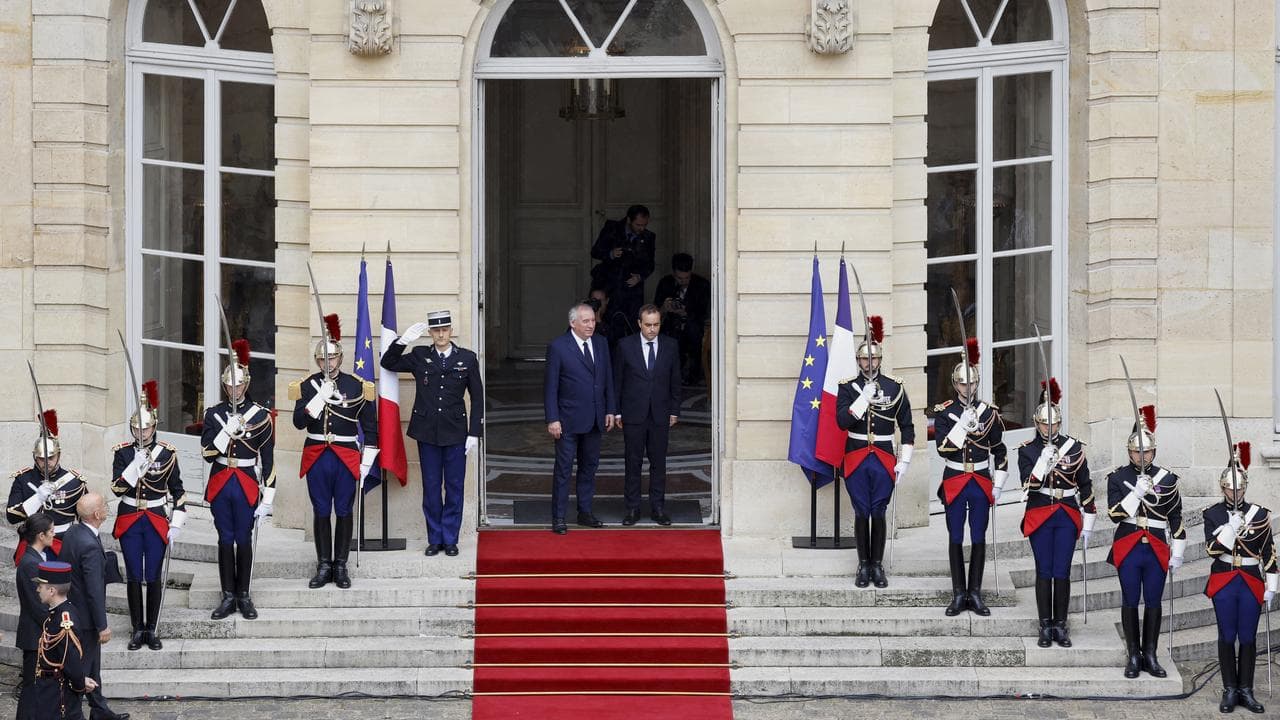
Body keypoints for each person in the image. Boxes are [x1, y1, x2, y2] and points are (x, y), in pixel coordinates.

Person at [381, 310, 483, 557]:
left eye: (444, 329)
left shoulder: (467, 358)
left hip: (456, 433)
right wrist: (403, 341)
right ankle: (434, 538)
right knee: (431, 487)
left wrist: (474, 432)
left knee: (455, 487)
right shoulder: (420, 355)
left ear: (451, 330)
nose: (440, 334)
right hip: (427, 433)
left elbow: (477, 396)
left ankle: (450, 539)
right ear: (430, 333)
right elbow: (388, 363)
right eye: (436, 330)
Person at [290, 314, 378, 589]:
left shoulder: (356, 385)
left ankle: (340, 565)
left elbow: (370, 428)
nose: (327, 364)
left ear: (339, 358)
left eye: (331, 359)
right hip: (317, 453)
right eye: (322, 360)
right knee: (320, 510)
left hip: (346, 454)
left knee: (342, 510)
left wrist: (368, 461)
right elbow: (298, 422)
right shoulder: (306, 385)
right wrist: (318, 398)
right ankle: (323, 564)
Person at [835, 315, 914, 589]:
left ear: (880, 360)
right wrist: (862, 398)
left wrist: (904, 460)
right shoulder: (847, 387)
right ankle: (863, 564)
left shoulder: (895, 387)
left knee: (878, 511)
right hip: (856, 455)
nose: (869, 364)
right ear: (859, 361)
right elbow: (842, 422)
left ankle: (877, 565)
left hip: (883, 455)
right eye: (865, 360)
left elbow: (907, 426)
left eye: (874, 359)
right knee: (861, 512)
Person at [1106, 404, 1184, 678]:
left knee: (1153, 601)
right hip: (1128, 543)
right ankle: (1133, 655)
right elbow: (1115, 514)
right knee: (1130, 600)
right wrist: (1135, 494)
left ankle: (1150, 654)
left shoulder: (1168, 478)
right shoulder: (1118, 477)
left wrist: (1179, 550)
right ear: (1129, 452)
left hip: (1156, 546)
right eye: (1136, 451)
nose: (1141, 455)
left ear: (1154, 451)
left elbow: (1176, 516)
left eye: (1146, 451)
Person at [1018, 378, 1095, 650]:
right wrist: (1043, 461)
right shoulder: (1028, 450)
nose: (1048, 428)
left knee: (1062, 571)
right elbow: (1028, 484)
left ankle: (1060, 625)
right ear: (1036, 423)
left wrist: (1089, 519)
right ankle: (1044, 624)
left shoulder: (1074, 448)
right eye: (1043, 424)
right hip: (1040, 512)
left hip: (1066, 514)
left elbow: (1085, 484)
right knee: (1044, 570)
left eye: (1053, 424)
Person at [932, 339, 1006, 617]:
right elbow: (942, 449)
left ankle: (974, 592)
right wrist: (961, 426)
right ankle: (957, 593)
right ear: (955, 385)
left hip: (979, 481)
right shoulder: (945, 412)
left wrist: (998, 483)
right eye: (963, 384)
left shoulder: (989, 413)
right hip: (954, 478)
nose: (968, 388)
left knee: (977, 536)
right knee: (955, 535)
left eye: (972, 384)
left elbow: (1000, 450)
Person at [201, 338, 274, 619]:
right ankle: (227, 594)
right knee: (224, 538)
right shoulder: (214, 414)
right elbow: (208, 452)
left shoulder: (261, 416)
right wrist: (224, 433)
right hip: (221, 479)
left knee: (243, 538)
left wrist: (269, 495)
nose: (234, 389)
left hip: (245, 479)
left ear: (247, 384)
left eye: (239, 385)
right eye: (230, 385)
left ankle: (243, 594)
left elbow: (267, 459)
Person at [109, 379, 185, 651]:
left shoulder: (167, 454)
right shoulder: (122, 452)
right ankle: (136, 628)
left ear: (154, 427)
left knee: (152, 575)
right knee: (133, 574)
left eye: (147, 427)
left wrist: (176, 522)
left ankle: (151, 629)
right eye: (137, 428)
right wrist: (133, 468)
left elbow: (178, 491)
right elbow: (117, 488)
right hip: (130, 517)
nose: (142, 432)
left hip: (155, 518)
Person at [1204, 441, 1275, 714]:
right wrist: (1230, 528)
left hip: (1250, 578)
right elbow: (1212, 549)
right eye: (1230, 488)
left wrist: (1271, 585)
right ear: (1222, 488)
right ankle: (1229, 689)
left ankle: (1246, 689)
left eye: (1240, 488)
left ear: (1246, 487)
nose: (1235, 493)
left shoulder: (1259, 514)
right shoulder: (1212, 514)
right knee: (1226, 635)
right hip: (1223, 577)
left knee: (1247, 636)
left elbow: (1269, 553)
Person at [545, 302, 618, 534]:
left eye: (593, 320)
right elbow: (550, 387)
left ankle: (585, 512)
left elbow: (608, 379)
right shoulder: (558, 346)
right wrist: (552, 419)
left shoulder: (601, 343)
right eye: (585, 321)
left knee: (589, 468)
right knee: (564, 469)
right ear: (573, 323)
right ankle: (558, 517)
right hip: (567, 421)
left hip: (595, 418)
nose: (590, 325)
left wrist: (610, 409)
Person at [59, 494, 128, 720]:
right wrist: (102, 626)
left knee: (93, 666)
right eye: (104, 506)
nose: (107, 509)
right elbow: (94, 590)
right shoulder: (89, 544)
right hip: (87, 619)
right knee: (82, 668)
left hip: (74, 610)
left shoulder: (73, 532)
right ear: (97, 514)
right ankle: (73, 713)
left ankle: (99, 709)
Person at [612, 304, 682, 527]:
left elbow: (675, 381)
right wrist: (617, 411)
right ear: (639, 323)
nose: (652, 329)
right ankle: (632, 508)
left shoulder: (671, 346)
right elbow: (618, 381)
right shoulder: (625, 346)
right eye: (648, 325)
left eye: (656, 325)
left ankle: (657, 507)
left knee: (658, 463)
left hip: (660, 414)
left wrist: (674, 410)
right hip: (633, 413)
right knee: (632, 462)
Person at [7, 409, 86, 561]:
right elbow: (11, 516)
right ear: (35, 458)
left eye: (51, 457)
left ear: (59, 455)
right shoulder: (23, 479)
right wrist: (37, 498)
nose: (46, 462)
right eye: (41, 458)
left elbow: (84, 519)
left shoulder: (74, 481)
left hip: (63, 542)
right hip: (33, 543)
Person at [31, 561, 97, 720]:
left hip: (58, 694)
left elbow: (71, 660)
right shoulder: (57, 614)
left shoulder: (64, 620)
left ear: (52, 590)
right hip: (49, 690)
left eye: (41, 586)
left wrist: (79, 683)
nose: (38, 589)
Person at [15, 512, 56, 720]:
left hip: (38, 633)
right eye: (51, 531)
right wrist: (55, 625)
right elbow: (37, 604)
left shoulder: (37, 558)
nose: (54, 534)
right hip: (35, 635)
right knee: (31, 689)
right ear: (41, 535)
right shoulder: (30, 563)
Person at [591, 205, 656, 325]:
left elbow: (650, 264)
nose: (641, 228)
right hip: (609, 284)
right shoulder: (612, 228)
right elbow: (595, 252)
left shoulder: (648, 237)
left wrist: (640, 277)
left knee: (629, 324)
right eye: (638, 225)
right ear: (629, 220)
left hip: (631, 290)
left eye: (644, 225)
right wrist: (611, 253)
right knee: (605, 321)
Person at [653, 253, 711, 385]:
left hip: (693, 326)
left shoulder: (702, 285)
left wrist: (685, 312)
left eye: (687, 278)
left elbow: (704, 312)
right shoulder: (665, 283)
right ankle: (671, 375)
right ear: (673, 273)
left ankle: (693, 376)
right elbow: (654, 311)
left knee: (694, 331)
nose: (683, 281)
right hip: (671, 325)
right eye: (679, 278)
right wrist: (664, 308)